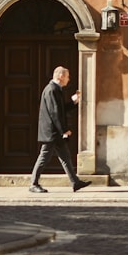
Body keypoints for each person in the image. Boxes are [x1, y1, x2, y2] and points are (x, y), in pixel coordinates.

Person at [28, 66, 92, 194]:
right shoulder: (51, 90)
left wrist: (73, 102)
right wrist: (64, 130)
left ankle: (75, 182)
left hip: (54, 132)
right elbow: (55, 112)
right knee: (44, 156)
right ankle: (33, 184)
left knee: (65, 157)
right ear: (61, 76)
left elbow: (60, 109)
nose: (69, 79)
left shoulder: (56, 89)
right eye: (67, 76)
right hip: (52, 132)